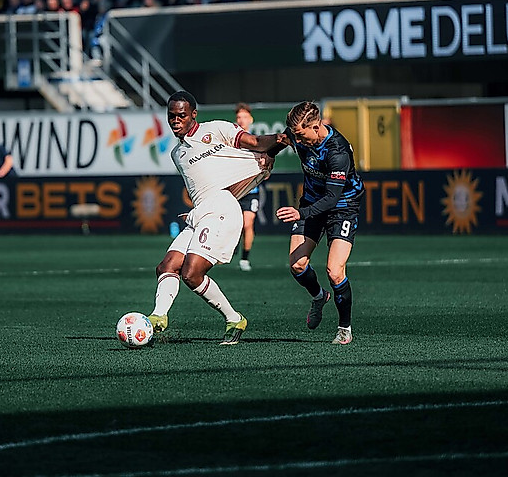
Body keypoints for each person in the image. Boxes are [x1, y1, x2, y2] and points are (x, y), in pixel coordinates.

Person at [148, 91, 283, 345]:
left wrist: (279, 140)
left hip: (221, 210)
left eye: (181, 115)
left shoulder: (217, 129)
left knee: (191, 273)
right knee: (165, 267)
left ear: (193, 114)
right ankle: (158, 317)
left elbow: (254, 143)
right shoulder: (177, 155)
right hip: (202, 212)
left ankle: (234, 318)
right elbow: (209, 185)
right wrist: (199, 209)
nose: (175, 120)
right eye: (171, 116)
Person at [273, 101, 365, 345]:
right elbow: (279, 141)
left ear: (316, 126)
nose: (298, 142)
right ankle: (318, 296)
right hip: (312, 204)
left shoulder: (338, 152)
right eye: (296, 136)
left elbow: (332, 198)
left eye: (302, 136)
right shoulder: (299, 135)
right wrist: (266, 157)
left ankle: (344, 328)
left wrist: (301, 214)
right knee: (297, 265)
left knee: (335, 271)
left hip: (342, 208)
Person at [234, 102, 262, 271]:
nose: (241, 120)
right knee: (234, 224)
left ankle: (245, 258)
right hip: (235, 191)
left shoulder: (256, 141)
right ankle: (232, 246)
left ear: (250, 119)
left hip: (251, 191)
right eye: (239, 117)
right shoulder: (231, 141)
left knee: (247, 224)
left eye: (244, 117)